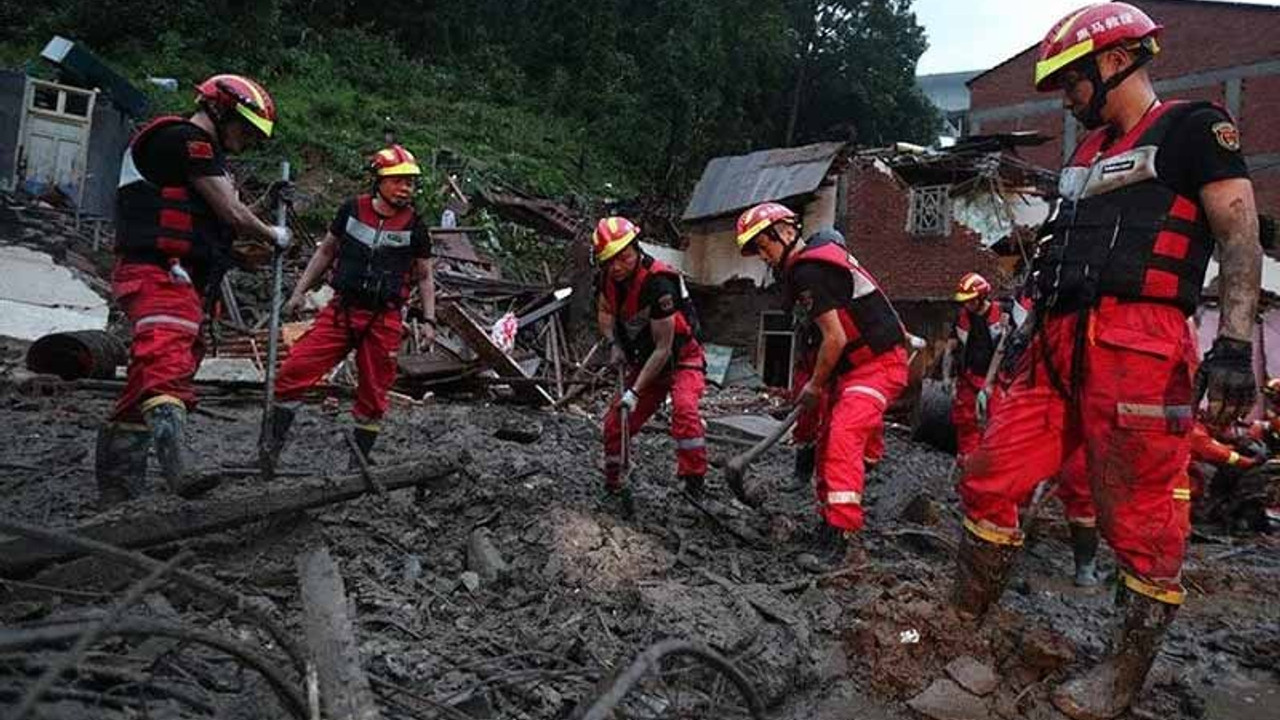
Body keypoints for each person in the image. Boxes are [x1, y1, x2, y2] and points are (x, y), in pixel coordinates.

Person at [951, 4, 1262, 718]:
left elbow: (1239, 236)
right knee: (990, 474)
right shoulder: (1084, 157)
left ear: (1115, 62)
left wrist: (1235, 345)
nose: (1066, 97)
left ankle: (1120, 680)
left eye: (1071, 81)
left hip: (1139, 345)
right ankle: (960, 628)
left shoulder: (1193, 130)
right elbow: (1057, 250)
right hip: (1056, 342)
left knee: (1144, 518)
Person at [95, 74, 288, 506]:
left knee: (151, 375)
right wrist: (274, 233)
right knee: (167, 356)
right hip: (162, 272)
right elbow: (232, 213)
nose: (249, 140)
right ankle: (177, 462)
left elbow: (223, 220)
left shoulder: (196, 156)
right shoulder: (187, 141)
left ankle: (118, 487)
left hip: (177, 273)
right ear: (220, 111)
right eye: (246, 129)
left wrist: (259, 219)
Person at [735, 205, 908, 564]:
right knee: (829, 442)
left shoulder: (809, 270)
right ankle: (828, 523)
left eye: (764, 246)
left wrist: (814, 387)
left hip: (877, 365)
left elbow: (835, 338)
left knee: (843, 435)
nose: (764, 257)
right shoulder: (808, 272)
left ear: (784, 231)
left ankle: (841, 537)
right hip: (854, 370)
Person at [260, 144, 435, 468]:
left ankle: (356, 468)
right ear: (378, 180)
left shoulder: (415, 225)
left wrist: (429, 320)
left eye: (410, 182)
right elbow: (325, 252)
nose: (406, 188)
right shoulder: (351, 209)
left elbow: (425, 276)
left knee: (373, 395)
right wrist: (299, 292)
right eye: (398, 180)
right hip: (343, 311)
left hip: (384, 318)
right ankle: (269, 453)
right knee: (292, 373)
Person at [595, 216, 707, 516]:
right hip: (644, 361)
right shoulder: (607, 277)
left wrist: (634, 392)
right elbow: (605, 311)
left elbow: (663, 348)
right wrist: (614, 344)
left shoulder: (659, 283)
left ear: (636, 248)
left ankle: (694, 481)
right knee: (615, 423)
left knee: (684, 409)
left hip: (680, 358)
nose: (617, 266)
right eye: (610, 260)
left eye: (624, 257)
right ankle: (614, 483)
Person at [946, 272, 1009, 465]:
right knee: (965, 422)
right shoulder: (963, 317)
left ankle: (993, 465)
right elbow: (950, 347)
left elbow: (1003, 349)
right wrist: (947, 377)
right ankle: (967, 464)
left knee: (997, 422)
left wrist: (989, 385)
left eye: (971, 301)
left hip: (996, 379)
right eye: (965, 302)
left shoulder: (1002, 315)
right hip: (968, 378)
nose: (967, 305)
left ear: (982, 297)